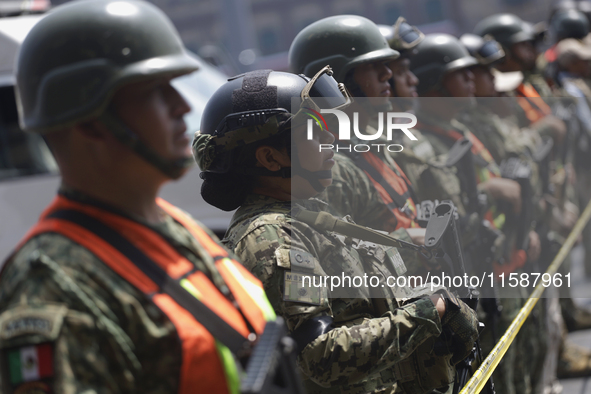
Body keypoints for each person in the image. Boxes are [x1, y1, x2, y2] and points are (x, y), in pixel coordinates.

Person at [0, 1, 275, 393]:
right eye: (155, 92)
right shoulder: (52, 285)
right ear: (92, 123)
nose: (181, 107)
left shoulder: (181, 227)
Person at [193, 68, 480, 394]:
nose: (329, 140)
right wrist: (431, 310)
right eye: (313, 131)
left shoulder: (306, 219)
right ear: (270, 157)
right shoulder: (271, 239)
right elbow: (322, 356)